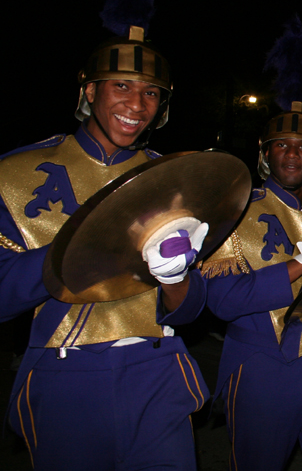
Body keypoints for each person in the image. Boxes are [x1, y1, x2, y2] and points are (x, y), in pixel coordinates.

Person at [0, 24, 210, 470]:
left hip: (158, 370)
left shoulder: (178, 180)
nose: (137, 105)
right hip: (67, 377)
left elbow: (191, 311)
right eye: (121, 86)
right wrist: (86, 245)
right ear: (90, 91)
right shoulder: (14, 173)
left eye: (152, 93)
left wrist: (175, 279)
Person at [161, 100, 302, 470]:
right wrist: (300, 264)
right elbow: (223, 302)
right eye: (282, 144)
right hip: (262, 366)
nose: (293, 154)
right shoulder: (235, 211)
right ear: (264, 154)